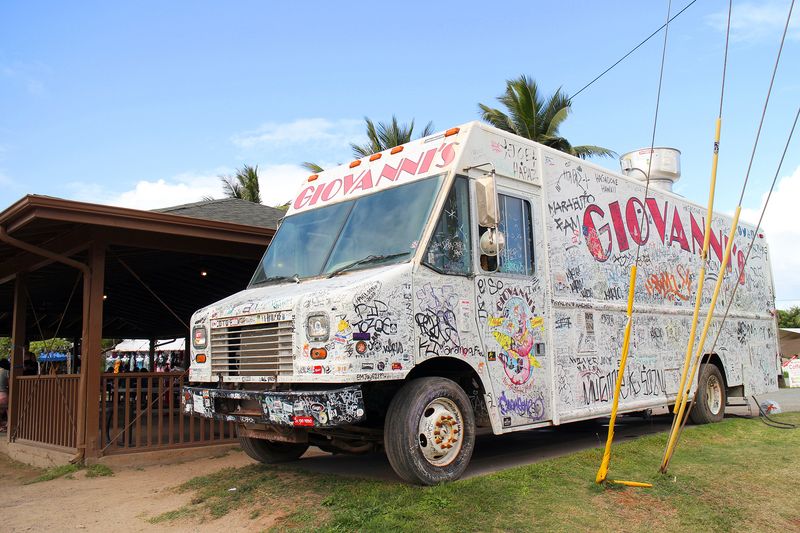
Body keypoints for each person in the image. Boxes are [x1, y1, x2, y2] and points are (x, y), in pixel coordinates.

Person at [0, 358, 10, 432]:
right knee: (9, 409)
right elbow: (10, 384)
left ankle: (0, 426)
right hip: (3, 394)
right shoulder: (7, 372)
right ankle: (8, 425)